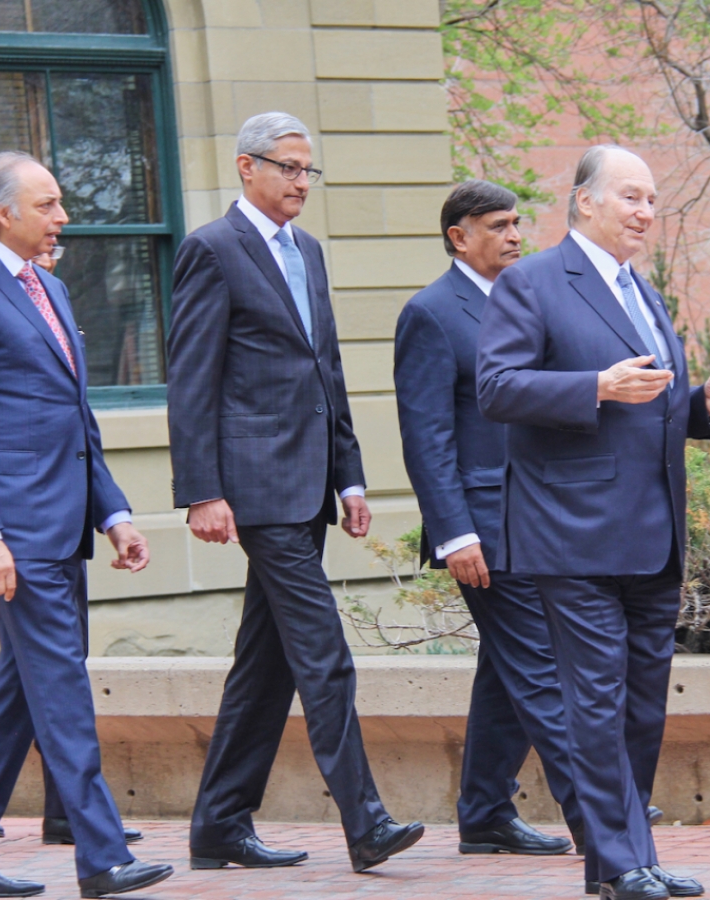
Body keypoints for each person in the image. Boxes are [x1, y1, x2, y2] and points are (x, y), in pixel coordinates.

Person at [476, 145, 710, 900]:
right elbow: (496, 387)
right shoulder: (532, 282)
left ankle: (626, 859)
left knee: (640, 706)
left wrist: (702, 410)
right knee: (594, 702)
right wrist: (593, 386)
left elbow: (653, 402)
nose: (645, 212)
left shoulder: (644, 292)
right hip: (572, 535)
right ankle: (623, 859)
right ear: (584, 202)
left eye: (653, 200)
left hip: (652, 534)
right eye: (631, 196)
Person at [167, 112, 423, 874]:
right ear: (245, 168)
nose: (299, 183)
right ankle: (365, 820)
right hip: (255, 491)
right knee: (324, 654)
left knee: (267, 663)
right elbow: (191, 381)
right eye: (286, 167)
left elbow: (327, 370)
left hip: (310, 484)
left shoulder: (307, 251)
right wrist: (201, 492)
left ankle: (218, 824)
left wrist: (349, 474)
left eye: (308, 170)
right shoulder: (211, 250)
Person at [0, 151, 173, 898]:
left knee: (21, 696)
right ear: (2, 213)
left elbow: (75, 415)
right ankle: (101, 857)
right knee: (64, 687)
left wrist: (112, 511)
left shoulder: (52, 286)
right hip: (16, 534)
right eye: (47, 204)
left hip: (64, 525)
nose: (63, 217)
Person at [395, 180, 585, 858]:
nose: (514, 236)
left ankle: (483, 812)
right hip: (481, 528)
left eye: (516, 224)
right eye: (498, 225)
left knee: (509, 669)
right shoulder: (431, 314)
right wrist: (454, 533)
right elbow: (427, 439)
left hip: (541, 519)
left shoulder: (526, 304)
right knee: (542, 661)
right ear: (459, 236)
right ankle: (598, 805)